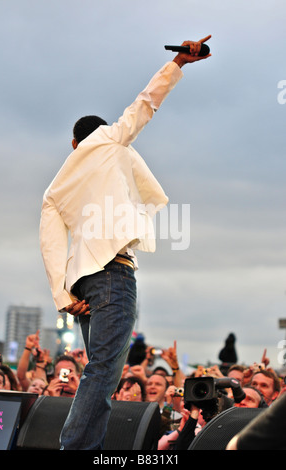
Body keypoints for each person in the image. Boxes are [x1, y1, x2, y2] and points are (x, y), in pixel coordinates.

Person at [39, 36, 211, 450]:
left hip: (81, 283)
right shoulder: (109, 141)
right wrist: (179, 64)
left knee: (98, 370)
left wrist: (62, 294)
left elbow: (49, 238)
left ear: (73, 144)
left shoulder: (58, 182)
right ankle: (76, 447)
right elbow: (143, 105)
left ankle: (85, 446)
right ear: (95, 138)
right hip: (113, 273)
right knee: (103, 372)